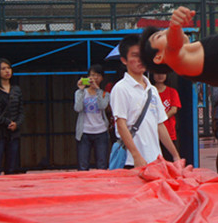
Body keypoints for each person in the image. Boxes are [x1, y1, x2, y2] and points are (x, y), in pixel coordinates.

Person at [110, 35, 180, 169]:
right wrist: (136, 156)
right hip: (131, 161)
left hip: (155, 159)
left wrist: (175, 155)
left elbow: (160, 125)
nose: (140, 60)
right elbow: (121, 125)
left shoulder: (152, 90)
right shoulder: (121, 89)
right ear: (124, 60)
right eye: (135, 55)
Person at [74, 64, 111, 170]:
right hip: (84, 132)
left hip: (101, 132)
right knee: (83, 165)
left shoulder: (104, 94)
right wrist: (81, 90)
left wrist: (98, 90)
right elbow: (77, 108)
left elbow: (102, 106)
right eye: (92, 75)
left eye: (97, 76)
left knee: (102, 164)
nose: (94, 78)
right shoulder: (80, 93)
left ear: (102, 78)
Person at [152, 71, 181, 163]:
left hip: (169, 133)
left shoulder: (172, 92)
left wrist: (160, 119)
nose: (160, 75)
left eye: (163, 72)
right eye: (157, 72)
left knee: (170, 162)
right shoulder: (149, 92)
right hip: (153, 133)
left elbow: (174, 109)